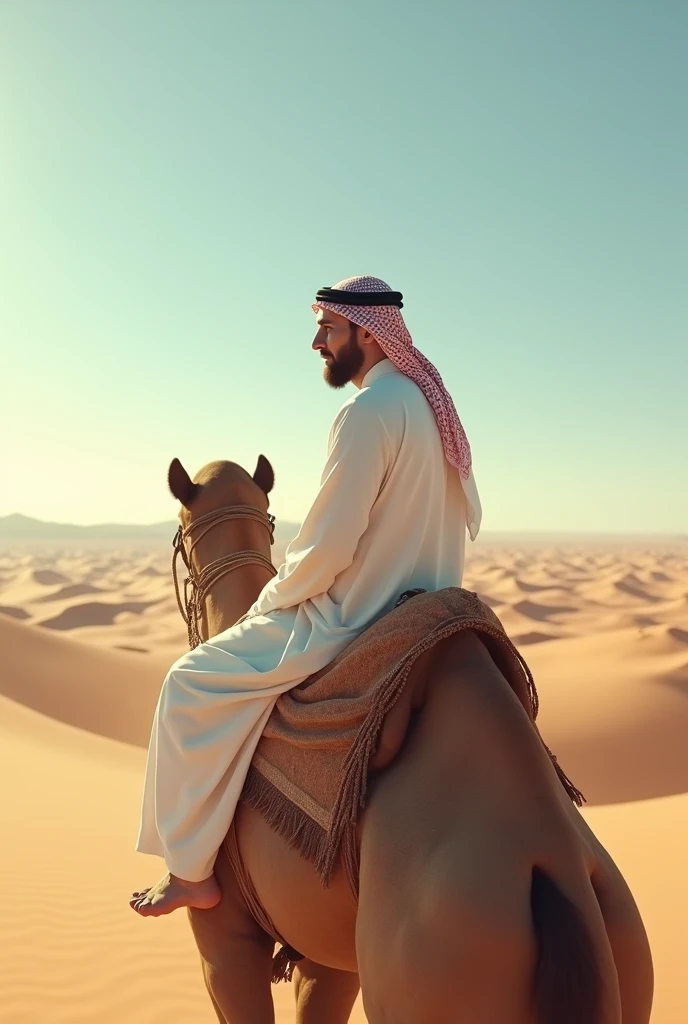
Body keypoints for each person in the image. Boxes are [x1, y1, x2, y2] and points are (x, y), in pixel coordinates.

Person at [131, 275, 482, 917]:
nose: (316, 340)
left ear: (368, 334)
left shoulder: (368, 413)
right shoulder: (433, 412)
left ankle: (189, 872)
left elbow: (327, 548)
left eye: (328, 327)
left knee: (187, 682)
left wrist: (274, 598)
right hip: (431, 610)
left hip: (353, 617)